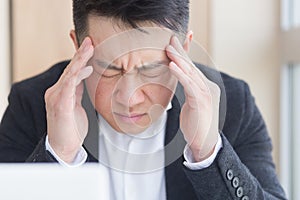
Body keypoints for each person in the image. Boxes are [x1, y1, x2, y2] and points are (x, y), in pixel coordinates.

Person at [0, 0, 286, 199]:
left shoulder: (233, 104)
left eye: (151, 69)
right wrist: (57, 155)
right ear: (77, 47)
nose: (129, 98)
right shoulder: (32, 104)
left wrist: (208, 153)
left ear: (183, 49)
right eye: (108, 68)